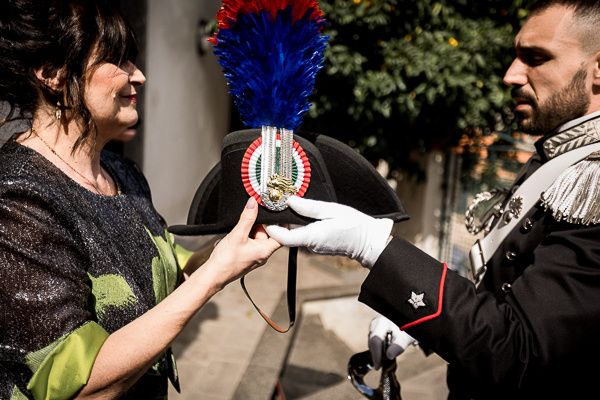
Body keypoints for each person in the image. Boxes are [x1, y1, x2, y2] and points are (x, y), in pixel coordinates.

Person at [267, 0, 600, 398]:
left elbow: (519, 354)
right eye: (516, 55)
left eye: (536, 58)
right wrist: (422, 322)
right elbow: (504, 291)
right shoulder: (564, 155)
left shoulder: (591, 178)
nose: (511, 75)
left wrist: (373, 247)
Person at [0, 1, 280, 398]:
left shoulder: (123, 174)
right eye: (119, 61)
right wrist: (214, 276)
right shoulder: (17, 197)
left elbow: (162, 269)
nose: (140, 76)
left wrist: (232, 246)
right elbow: (78, 386)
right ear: (52, 73)